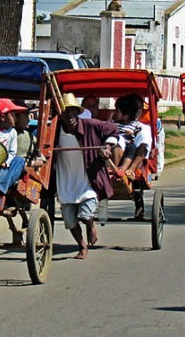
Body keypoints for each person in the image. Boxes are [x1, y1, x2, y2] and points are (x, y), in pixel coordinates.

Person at [53, 93, 119, 260]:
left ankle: (91, 225)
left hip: (88, 180)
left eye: (74, 112)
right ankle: (82, 245)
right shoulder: (54, 130)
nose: (71, 116)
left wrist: (107, 145)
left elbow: (113, 130)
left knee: (85, 215)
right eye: (67, 112)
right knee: (69, 220)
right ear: (60, 114)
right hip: (66, 180)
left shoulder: (90, 125)